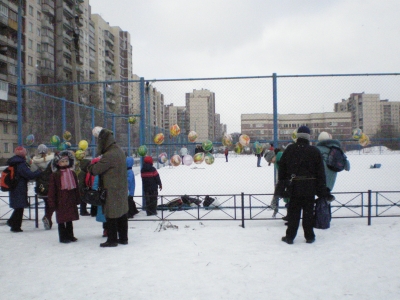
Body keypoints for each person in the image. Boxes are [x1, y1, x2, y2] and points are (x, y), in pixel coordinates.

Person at [276, 126, 331, 244]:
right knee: (308, 213)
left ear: (297, 136)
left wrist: (282, 185)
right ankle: (309, 236)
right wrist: (321, 190)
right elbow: (321, 173)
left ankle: (290, 236)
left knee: (293, 213)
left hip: (294, 186)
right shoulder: (314, 151)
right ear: (308, 137)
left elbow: (282, 169)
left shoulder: (290, 149)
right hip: (309, 187)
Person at [88, 128, 128, 247]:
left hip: (111, 188)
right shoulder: (119, 151)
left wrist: (88, 166)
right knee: (121, 213)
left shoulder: (109, 155)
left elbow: (96, 170)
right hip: (120, 187)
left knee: (111, 214)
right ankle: (123, 238)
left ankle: (112, 240)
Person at [47, 151, 81, 243]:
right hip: (60, 200)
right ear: (57, 163)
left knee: (69, 218)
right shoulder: (55, 175)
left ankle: (70, 235)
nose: (65, 163)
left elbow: (76, 187)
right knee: (62, 219)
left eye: (66, 161)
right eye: (62, 161)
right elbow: (52, 189)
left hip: (70, 199)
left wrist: (77, 198)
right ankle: (63, 237)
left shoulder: (72, 173)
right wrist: (52, 201)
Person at [6, 146, 42, 232]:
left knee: (18, 207)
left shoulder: (14, 162)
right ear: (23, 154)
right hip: (19, 187)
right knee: (20, 207)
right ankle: (15, 226)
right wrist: (39, 171)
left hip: (14, 187)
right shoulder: (20, 164)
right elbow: (29, 175)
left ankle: (12, 223)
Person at [30, 144, 55, 230]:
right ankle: (47, 217)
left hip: (41, 186)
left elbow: (33, 173)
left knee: (47, 203)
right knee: (52, 203)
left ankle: (48, 220)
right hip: (51, 185)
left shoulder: (34, 161)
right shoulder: (52, 160)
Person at [85, 156, 108, 237]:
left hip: (102, 194)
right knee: (108, 214)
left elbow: (95, 183)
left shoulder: (99, 172)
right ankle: (107, 229)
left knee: (104, 213)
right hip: (106, 195)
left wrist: (95, 191)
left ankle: (106, 230)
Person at [74, 149, 92, 216]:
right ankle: (83, 211)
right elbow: (81, 182)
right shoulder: (83, 173)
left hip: (79, 188)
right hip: (81, 188)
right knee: (83, 201)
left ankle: (82, 211)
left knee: (81, 201)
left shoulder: (80, 170)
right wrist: (82, 188)